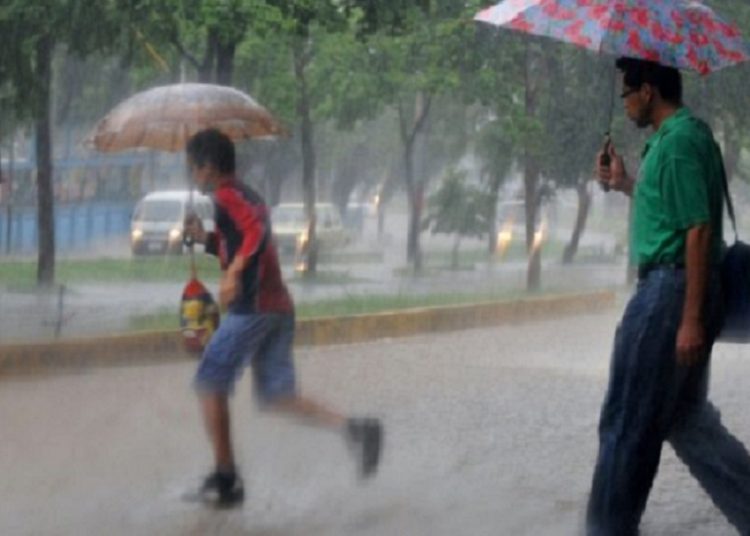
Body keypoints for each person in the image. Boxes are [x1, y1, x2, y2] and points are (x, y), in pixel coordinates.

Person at [586, 57, 750, 535]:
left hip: (669, 292)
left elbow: (697, 231)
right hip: (679, 290)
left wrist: (690, 319)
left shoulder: (677, 143)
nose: (626, 104)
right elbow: (676, 214)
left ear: (649, 90)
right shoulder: (681, 138)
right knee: (687, 421)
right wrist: (624, 185)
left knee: (626, 423)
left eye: (627, 94)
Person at [182, 128, 383, 508]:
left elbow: (257, 233)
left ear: (208, 167)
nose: (193, 176)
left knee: (210, 382)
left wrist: (236, 270)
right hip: (277, 309)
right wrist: (206, 239)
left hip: (253, 309)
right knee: (277, 395)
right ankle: (356, 430)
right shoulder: (243, 194)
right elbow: (241, 238)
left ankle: (226, 479)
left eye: (193, 168)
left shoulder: (226, 197)